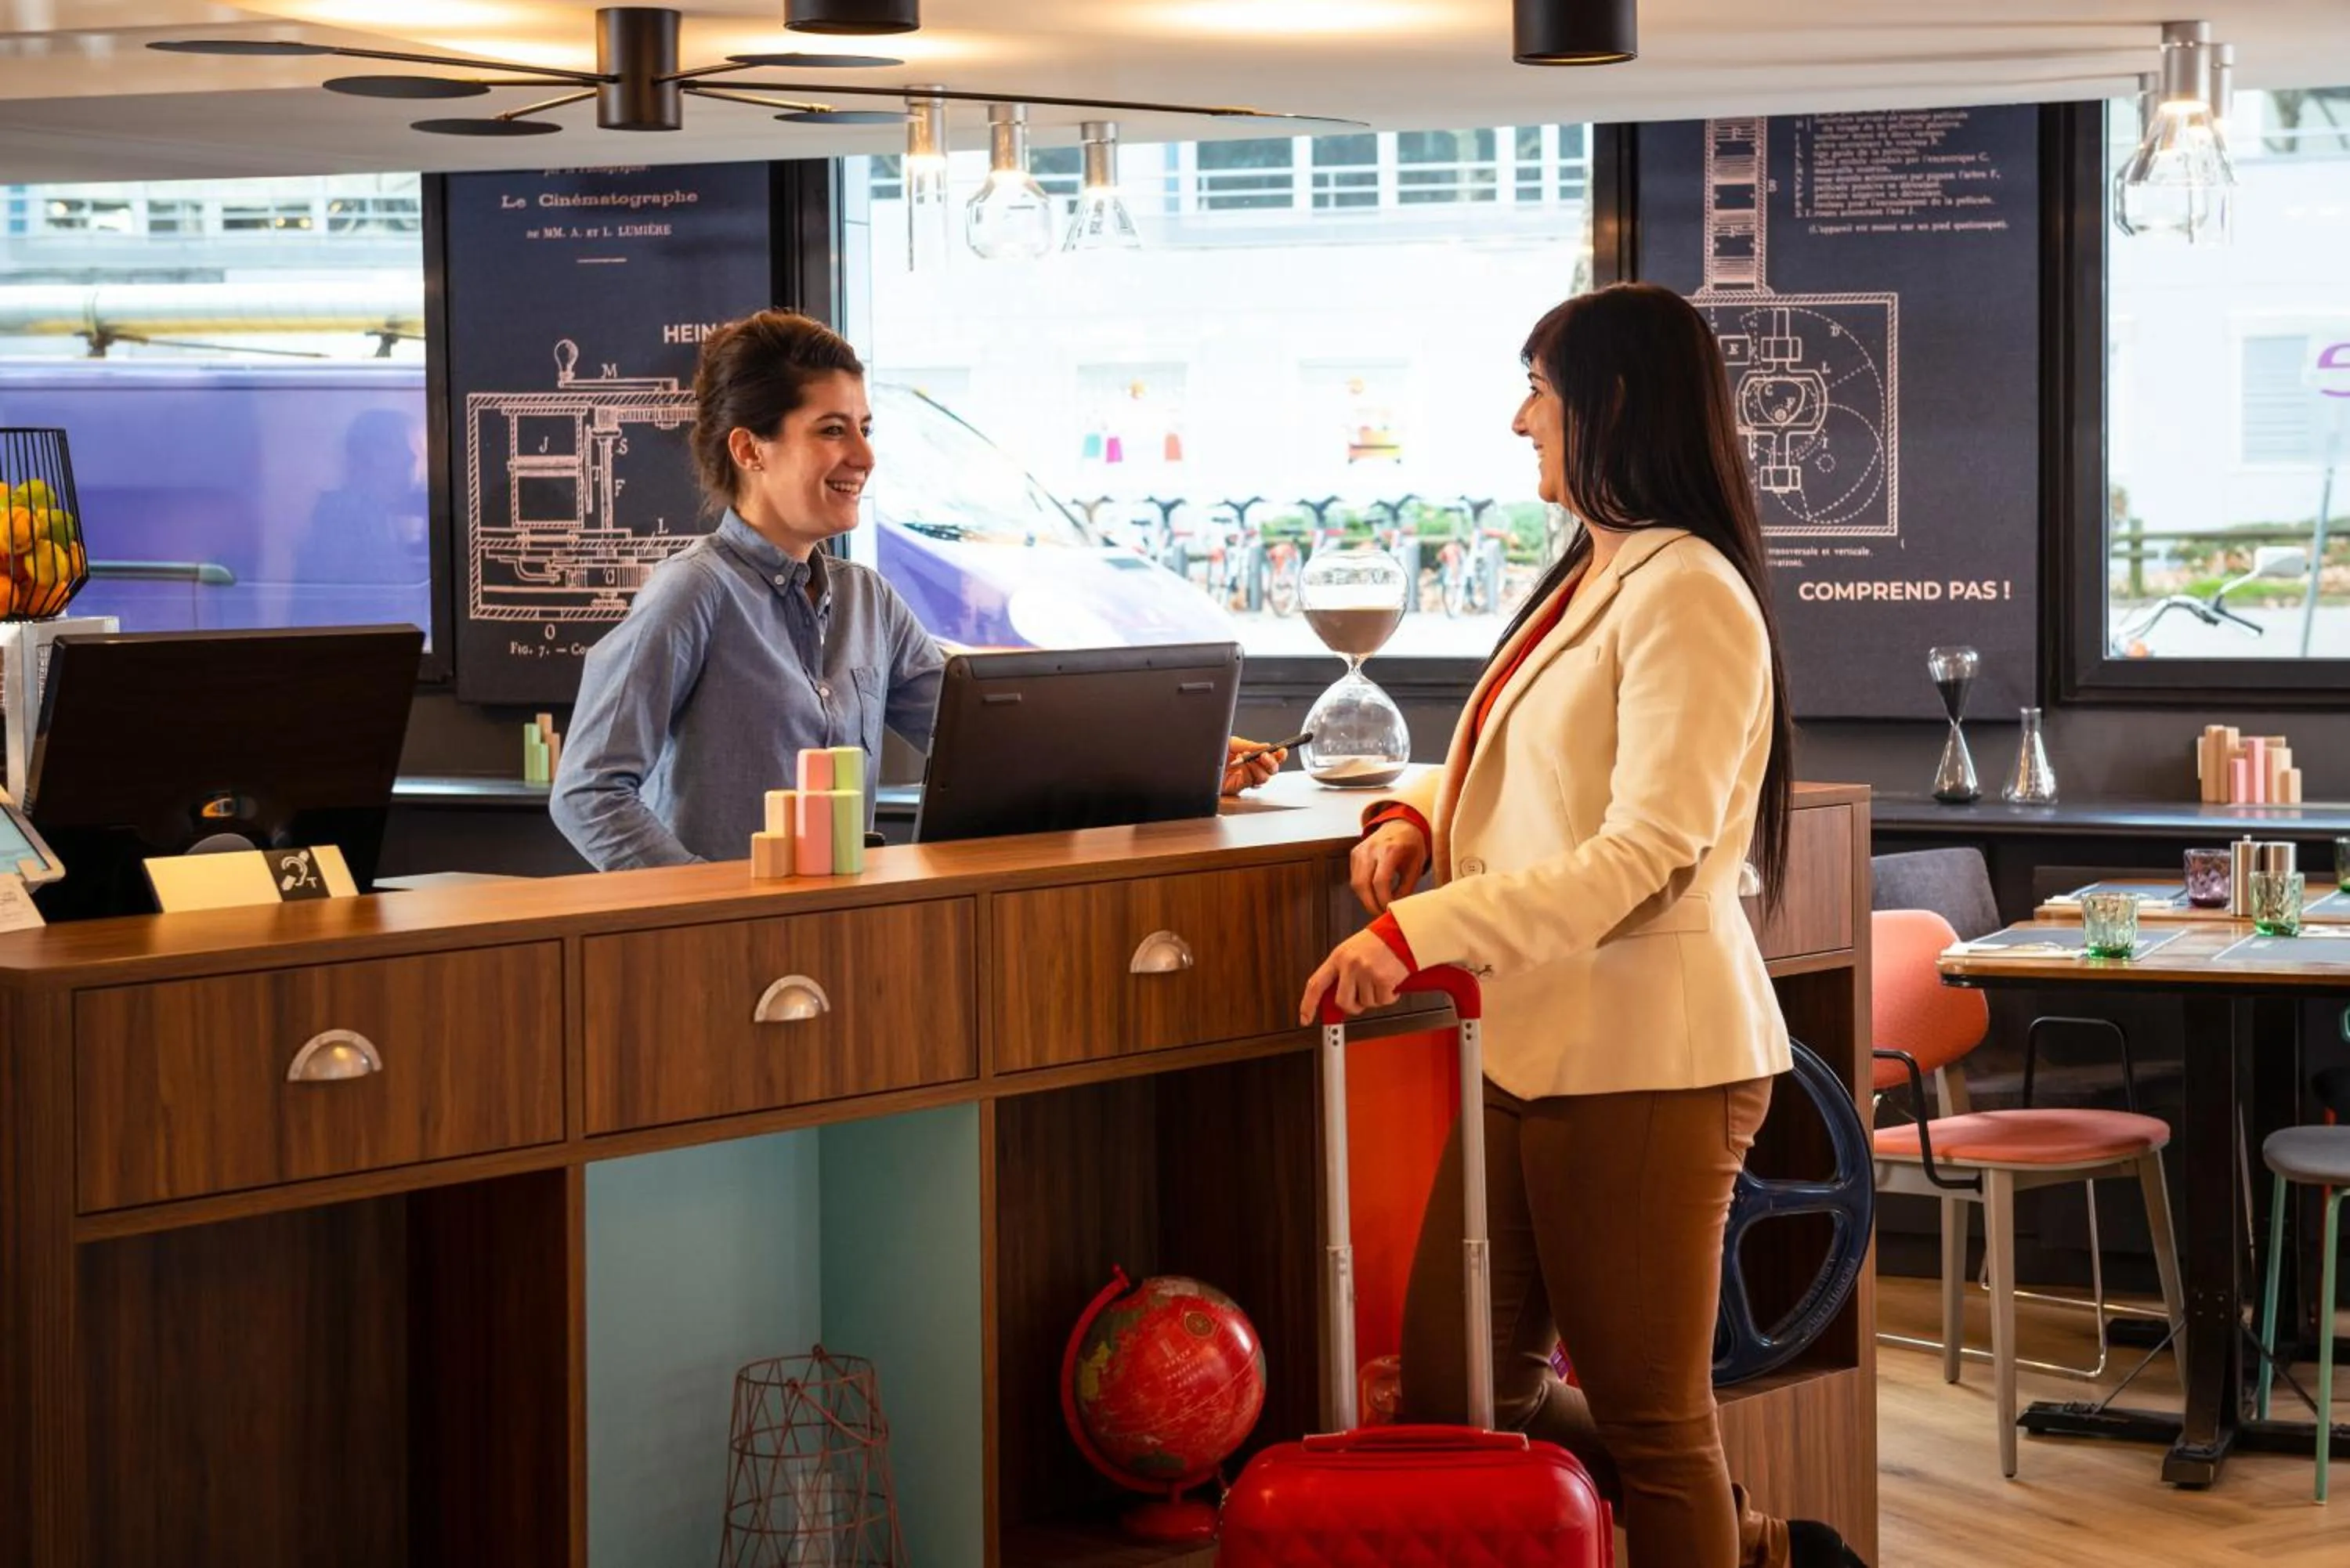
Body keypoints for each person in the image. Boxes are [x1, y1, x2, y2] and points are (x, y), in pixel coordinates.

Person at [1297, 284, 1865, 1568]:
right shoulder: (1599, 567)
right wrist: (1410, 810)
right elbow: (1525, 768)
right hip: (1535, 1050)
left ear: (1607, 402)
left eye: (1537, 391)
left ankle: (1739, 1540)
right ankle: (1767, 1545)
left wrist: (1413, 935)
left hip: (1650, 1065)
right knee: (1458, 1403)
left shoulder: (1690, 590)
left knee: (1657, 1428)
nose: (1518, 421)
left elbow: (1649, 854)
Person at [555, 309, 1282, 871]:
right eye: (832, 430)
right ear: (749, 448)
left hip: (851, 931)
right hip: (721, 959)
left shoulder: (868, 601)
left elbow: (1013, 744)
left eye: (865, 428)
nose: (864, 456)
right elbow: (589, 794)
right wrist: (702, 909)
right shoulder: (692, 596)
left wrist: (1186, 758)